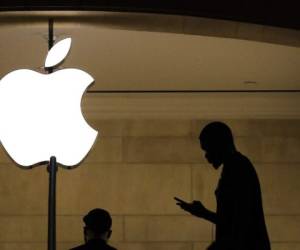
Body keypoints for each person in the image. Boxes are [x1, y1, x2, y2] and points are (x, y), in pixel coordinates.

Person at [175, 121, 271, 250]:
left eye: (207, 149)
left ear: (218, 144)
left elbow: (240, 222)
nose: (206, 156)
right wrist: (203, 213)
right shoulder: (235, 166)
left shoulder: (238, 167)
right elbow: (233, 222)